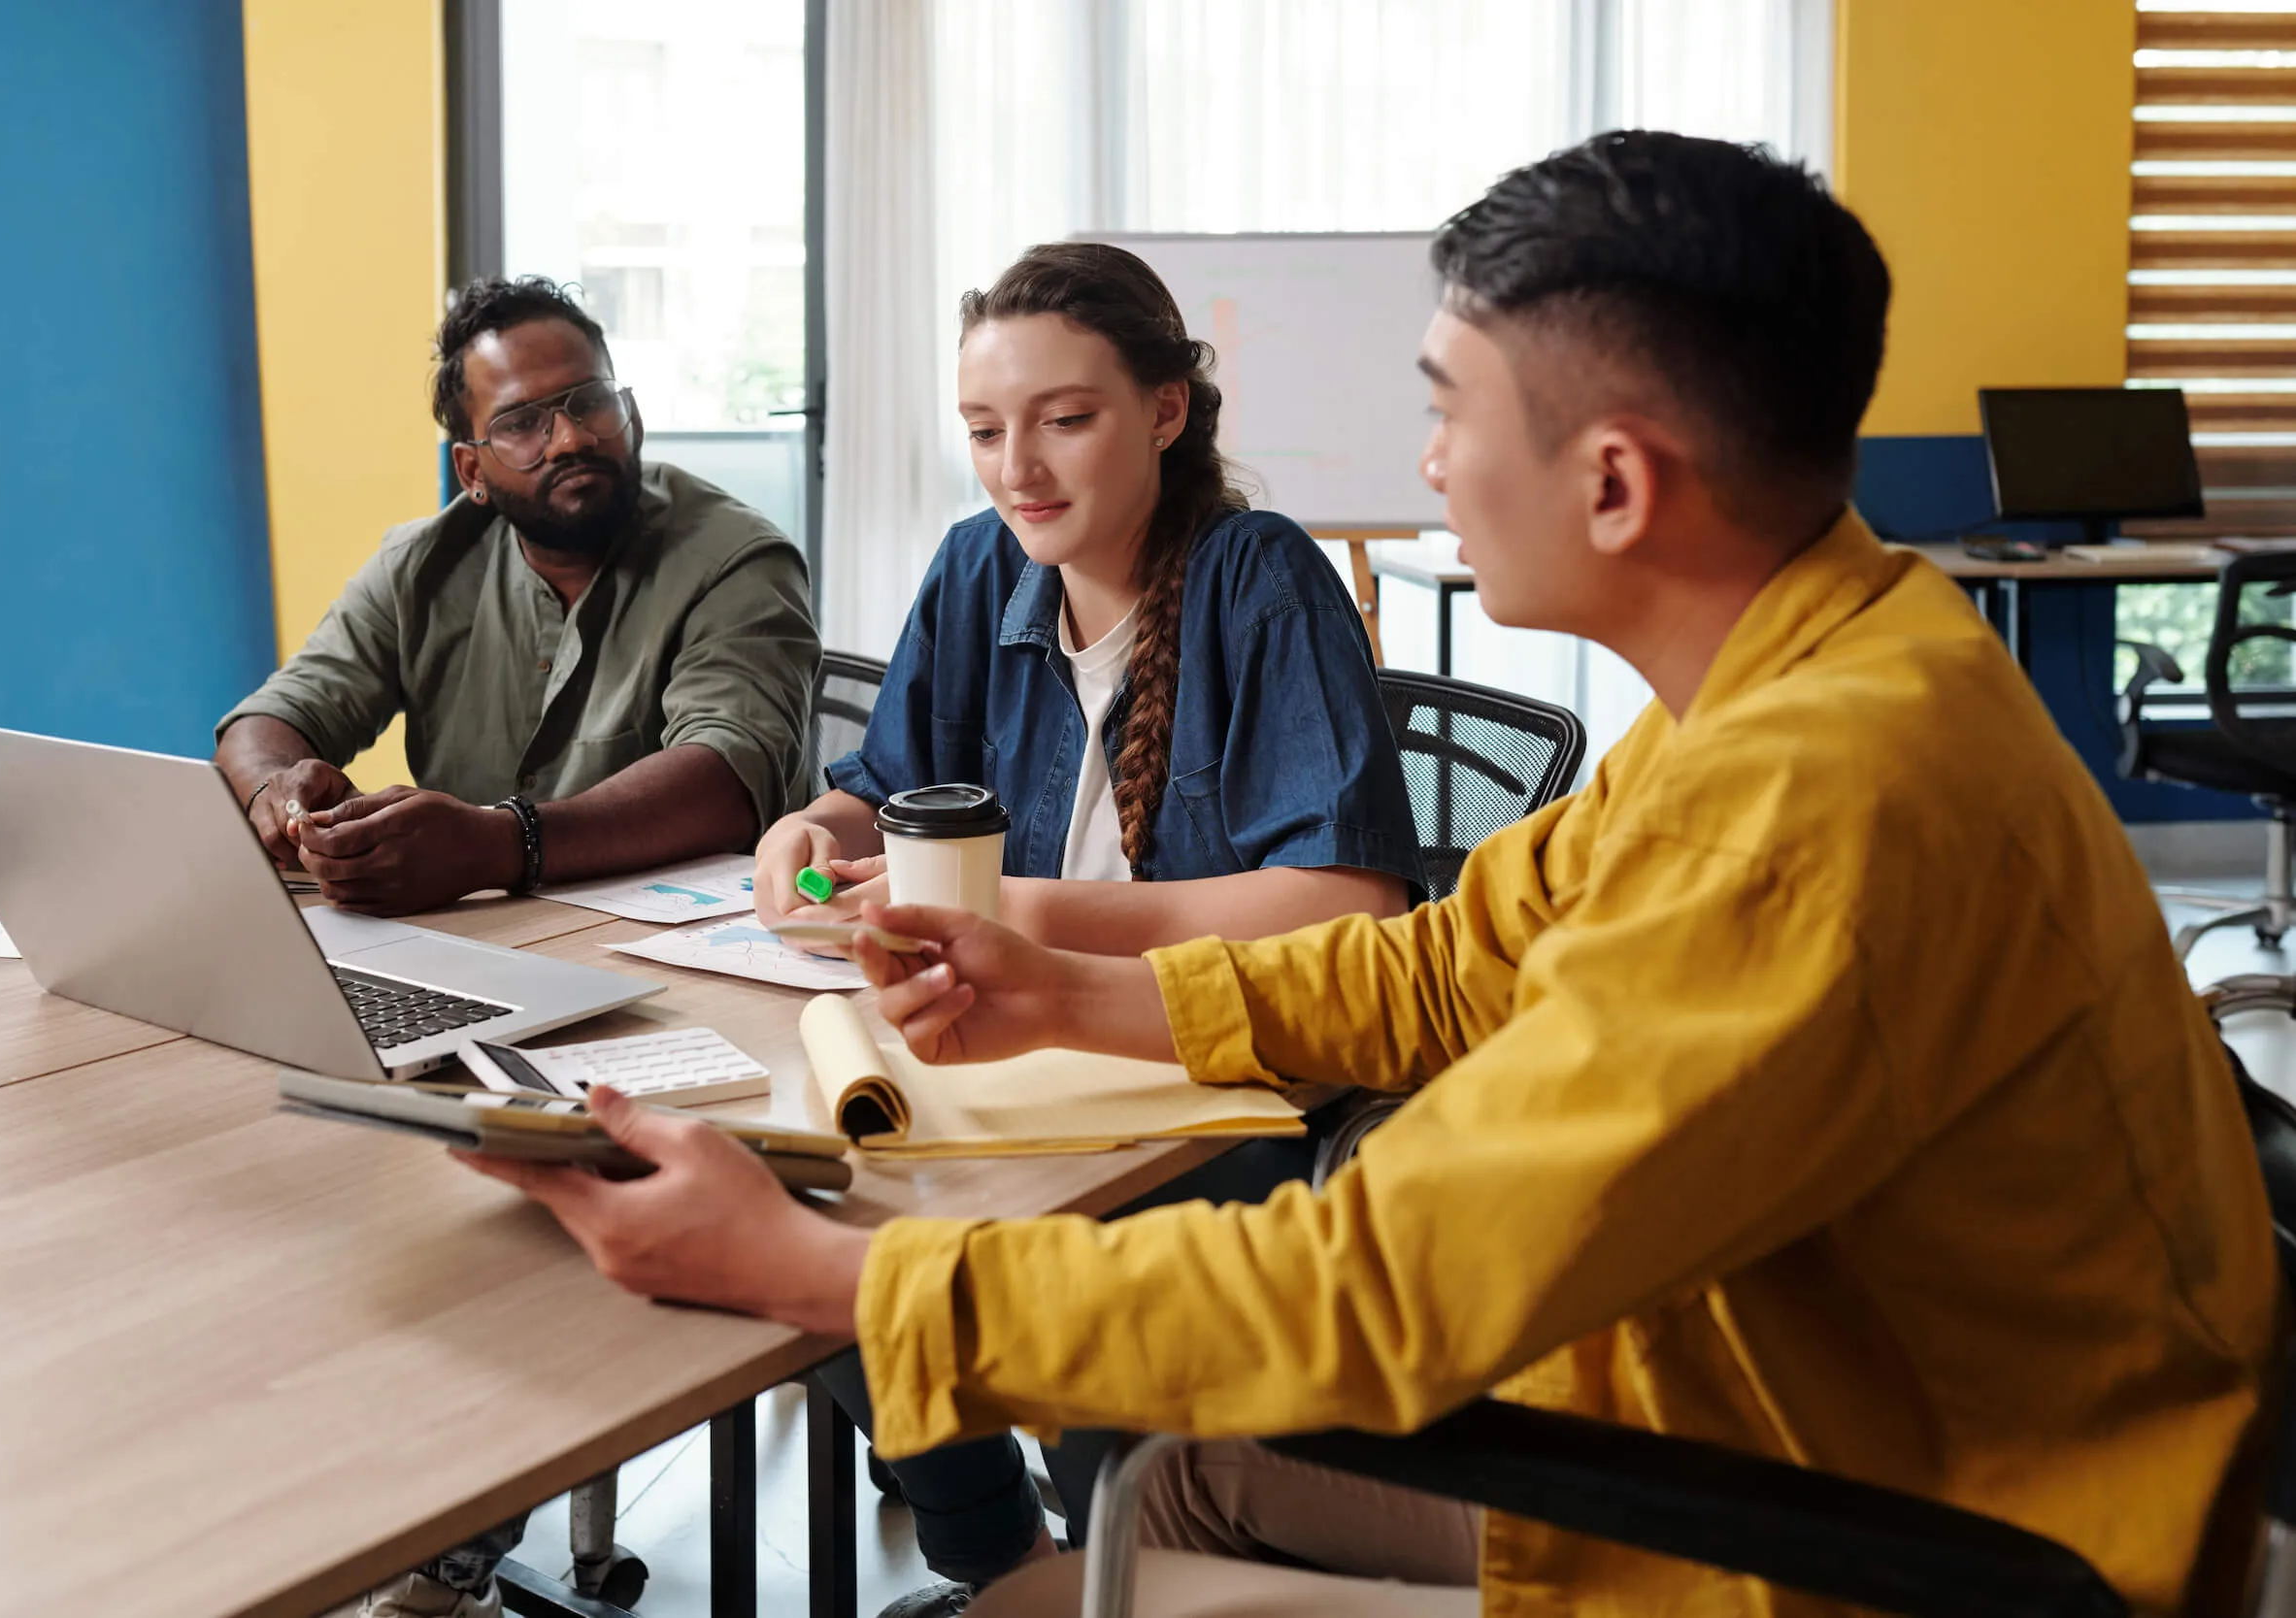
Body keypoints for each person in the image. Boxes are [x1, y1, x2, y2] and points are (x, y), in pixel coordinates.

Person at [463, 131, 2281, 1616]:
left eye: (1446, 409)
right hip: (1831, 1411)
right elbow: (1449, 965)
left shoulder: (1805, 805)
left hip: (1915, 1532)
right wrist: (1074, 987)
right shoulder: (1820, 663)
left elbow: (1378, 1293)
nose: (1423, 464)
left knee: (1153, 1481)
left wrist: (833, 1280)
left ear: (1621, 483)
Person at [758, 241, 1430, 1612]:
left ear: (1166, 410)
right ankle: (1005, 1557)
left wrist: (1024, 915)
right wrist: (806, 845)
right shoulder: (974, 569)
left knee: (913, 1247)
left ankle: (1102, 1552)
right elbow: (873, 793)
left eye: (1066, 419)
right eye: (988, 429)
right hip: (1014, 1069)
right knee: (790, 1201)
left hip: (1227, 1098)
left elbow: (1346, 904)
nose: (1022, 467)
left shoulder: (1260, 578)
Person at [216, 276, 820, 917]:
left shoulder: (736, 558)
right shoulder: (419, 567)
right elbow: (265, 724)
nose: (571, 438)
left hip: (712, 943)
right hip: (486, 934)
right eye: (522, 423)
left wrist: (500, 843)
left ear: (632, 416)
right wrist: (279, 803)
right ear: (473, 471)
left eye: (591, 402)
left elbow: (725, 781)